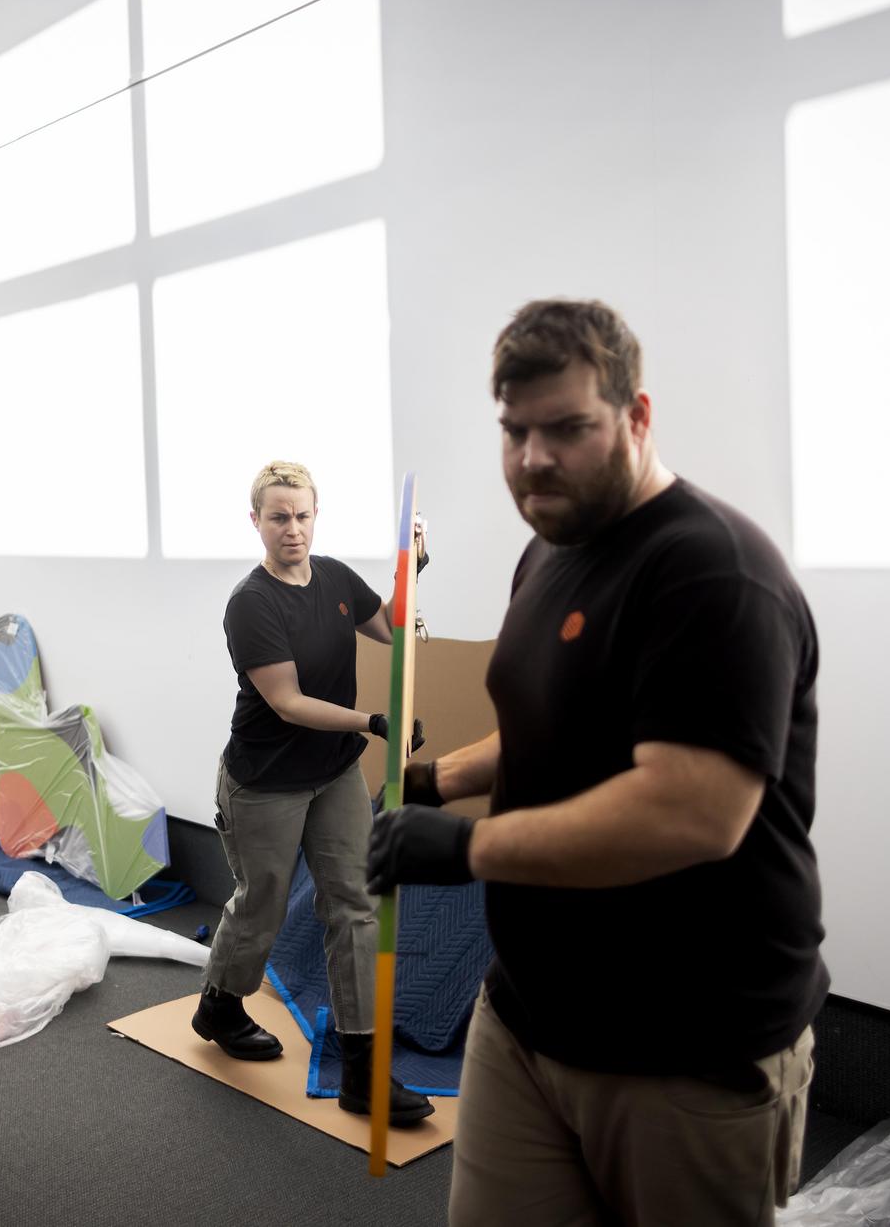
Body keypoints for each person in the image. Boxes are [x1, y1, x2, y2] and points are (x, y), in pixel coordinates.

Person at [366, 300, 827, 1225]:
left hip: (688, 1039)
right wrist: (437, 780)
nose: (534, 457)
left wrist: (462, 850)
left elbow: (689, 811)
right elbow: (556, 724)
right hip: (531, 1015)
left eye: (568, 428)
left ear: (637, 417)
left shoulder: (711, 573)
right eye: (515, 431)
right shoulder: (549, 551)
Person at [192, 461, 434, 1127]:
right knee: (263, 902)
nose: (292, 528)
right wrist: (373, 721)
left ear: (315, 515)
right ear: (256, 522)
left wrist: (416, 572)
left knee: (354, 903)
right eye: (278, 516)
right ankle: (219, 1000)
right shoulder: (251, 602)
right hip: (265, 781)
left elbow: (401, 635)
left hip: (332, 773)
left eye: (301, 515)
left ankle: (361, 1071)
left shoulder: (335, 579)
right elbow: (289, 702)